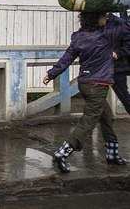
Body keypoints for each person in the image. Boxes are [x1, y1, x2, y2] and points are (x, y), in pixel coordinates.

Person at [43, 11, 127, 173]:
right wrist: (112, 12)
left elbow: (66, 59)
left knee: (107, 117)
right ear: (97, 19)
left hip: (84, 84)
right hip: (98, 85)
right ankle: (63, 152)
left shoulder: (78, 37)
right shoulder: (106, 36)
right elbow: (124, 25)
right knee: (88, 122)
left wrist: (51, 74)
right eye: (103, 16)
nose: (105, 18)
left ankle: (112, 154)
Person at [111, 13, 130, 114]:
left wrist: (118, 53)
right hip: (104, 67)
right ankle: (107, 129)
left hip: (117, 67)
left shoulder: (121, 23)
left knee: (125, 98)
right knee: (95, 100)